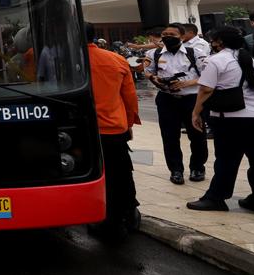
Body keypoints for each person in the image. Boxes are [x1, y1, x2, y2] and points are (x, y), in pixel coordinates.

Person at [186, 27, 254, 212]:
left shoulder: (216, 60)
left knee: (226, 160)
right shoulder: (249, 58)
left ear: (219, 42)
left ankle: (215, 198)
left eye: (213, 40)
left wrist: (195, 113)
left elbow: (206, 89)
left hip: (229, 119)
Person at [84, 22, 141, 236]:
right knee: (122, 172)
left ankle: (107, 217)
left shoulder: (67, 63)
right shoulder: (116, 59)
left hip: (83, 131)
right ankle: (130, 212)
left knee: (97, 175)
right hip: (114, 129)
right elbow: (130, 98)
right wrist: (128, 124)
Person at [144, 23, 208, 184]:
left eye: (172, 34)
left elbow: (209, 76)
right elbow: (148, 71)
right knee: (170, 137)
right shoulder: (154, 54)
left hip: (191, 99)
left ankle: (198, 167)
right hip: (166, 99)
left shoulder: (195, 53)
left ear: (182, 36)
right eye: (165, 34)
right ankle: (176, 170)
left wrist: (187, 83)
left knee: (197, 135)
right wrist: (154, 78)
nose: (167, 37)